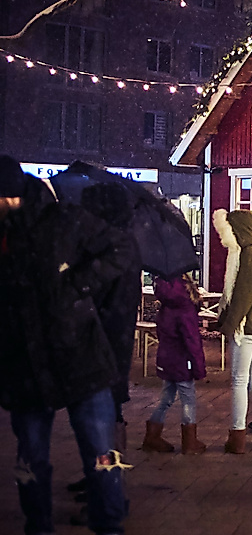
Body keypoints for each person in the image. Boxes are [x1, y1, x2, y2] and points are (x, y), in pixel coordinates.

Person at [0, 156, 133, 535]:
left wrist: (78, 285)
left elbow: (120, 248)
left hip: (80, 356)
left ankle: (109, 524)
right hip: (22, 364)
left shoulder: (64, 220)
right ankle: (37, 526)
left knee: (102, 454)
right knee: (29, 458)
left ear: (8, 197)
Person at [80, 183, 143, 453]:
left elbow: (95, 289)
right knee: (105, 406)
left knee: (103, 408)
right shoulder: (120, 242)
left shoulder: (113, 246)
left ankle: (107, 478)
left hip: (106, 334)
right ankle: (103, 474)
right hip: (112, 334)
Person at [213, 209, 252, 453]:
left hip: (246, 327)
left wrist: (229, 323)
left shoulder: (248, 254)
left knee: (240, 380)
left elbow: (243, 294)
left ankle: (237, 434)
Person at [141, 274, 207, 455]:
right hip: (182, 362)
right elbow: (192, 341)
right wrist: (199, 367)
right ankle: (189, 441)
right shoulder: (185, 308)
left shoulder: (165, 306)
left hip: (166, 359)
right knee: (188, 400)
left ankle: (152, 436)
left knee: (166, 399)